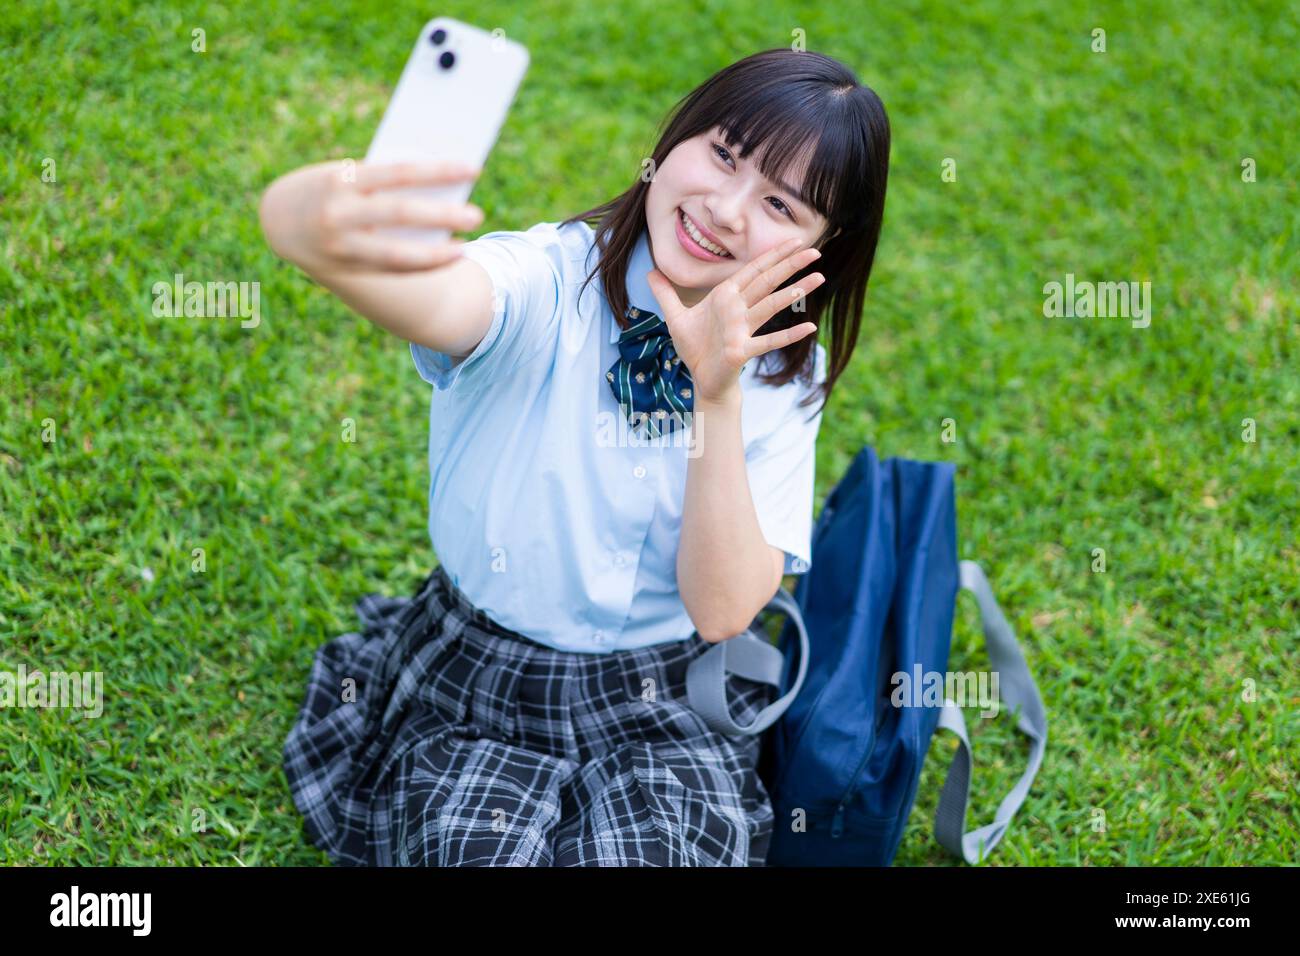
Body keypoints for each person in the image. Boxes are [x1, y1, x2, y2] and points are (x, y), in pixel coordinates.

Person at [261, 47, 890, 866]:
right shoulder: (546, 282)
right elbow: (441, 296)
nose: (727, 209)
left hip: (663, 694)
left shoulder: (778, 375)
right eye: (723, 154)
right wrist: (307, 224)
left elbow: (724, 611)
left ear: (821, 245)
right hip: (479, 678)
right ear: (671, 142)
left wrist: (717, 393)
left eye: (779, 203)